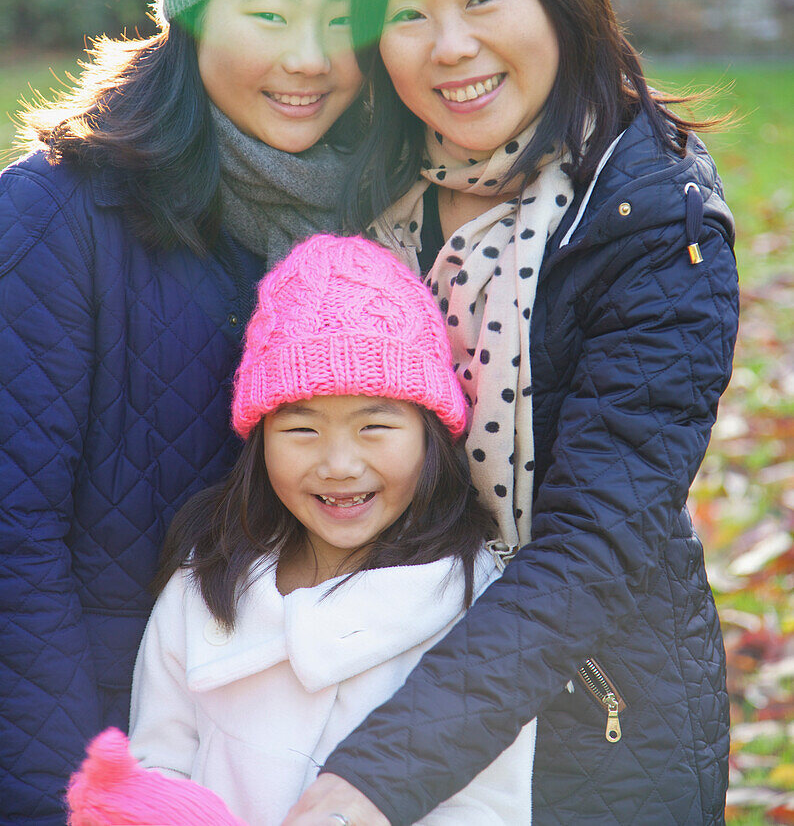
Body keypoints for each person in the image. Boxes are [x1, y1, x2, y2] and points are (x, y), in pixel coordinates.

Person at [282, 0, 741, 825]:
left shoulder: (653, 223)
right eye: (405, 11)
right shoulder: (363, 189)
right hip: (354, 684)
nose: (449, 46)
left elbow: (588, 551)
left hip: (589, 739)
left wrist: (376, 777)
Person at [0, 0, 365, 825]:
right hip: (110, 754)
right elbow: (11, 538)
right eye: (269, 11)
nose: (308, 57)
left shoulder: (378, 212)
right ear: (194, 14)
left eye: (341, 16)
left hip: (305, 768)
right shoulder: (52, 218)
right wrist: (73, 796)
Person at [121, 233, 536, 825]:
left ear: (430, 433)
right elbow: (156, 765)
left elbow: (483, 807)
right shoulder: (207, 581)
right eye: (302, 430)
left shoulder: (472, 604)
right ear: (260, 438)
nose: (339, 465)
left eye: (374, 427)